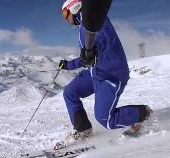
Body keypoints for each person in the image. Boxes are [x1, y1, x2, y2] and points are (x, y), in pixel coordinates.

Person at [56, 0, 153, 149]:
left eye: (65, 13)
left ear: (74, 8)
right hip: (96, 72)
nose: (65, 18)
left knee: (106, 120)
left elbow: (96, 48)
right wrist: (69, 64)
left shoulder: (95, 20)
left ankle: (142, 114)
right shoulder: (84, 24)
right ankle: (83, 130)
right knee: (70, 92)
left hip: (111, 74)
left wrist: (76, 62)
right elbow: (88, 57)